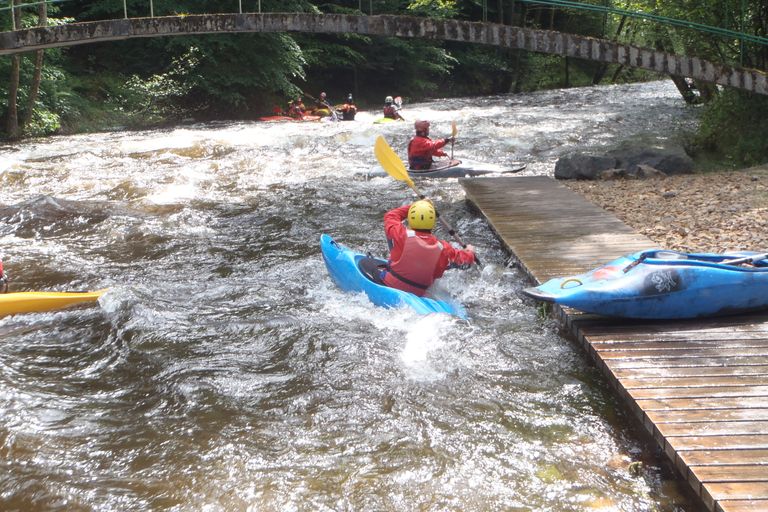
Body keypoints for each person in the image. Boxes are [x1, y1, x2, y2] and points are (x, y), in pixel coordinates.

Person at [378, 200, 476, 297]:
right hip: (418, 293)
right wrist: (469, 251)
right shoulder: (443, 247)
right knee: (450, 264)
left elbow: (391, 215)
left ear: (411, 218)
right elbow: (466, 258)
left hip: (390, 284)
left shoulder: (401, 234)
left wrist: (415, 206)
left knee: (390, 237)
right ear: (432, 221)